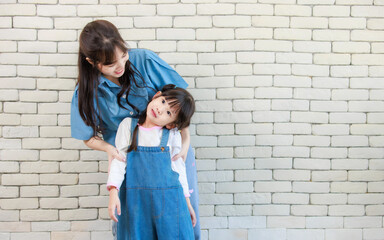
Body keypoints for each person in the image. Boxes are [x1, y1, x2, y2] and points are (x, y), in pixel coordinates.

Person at [70, 20, 200, 239]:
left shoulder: (145, 61)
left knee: (181, 221)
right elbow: (87, 136)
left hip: (171, 155)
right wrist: (111, 151)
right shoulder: (86, 91)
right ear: (92, 62)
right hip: (127, 160)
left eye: (123, 55)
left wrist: (185, 141)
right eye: (110, 63)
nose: (120, 65)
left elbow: (179, 106)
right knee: (132, 225)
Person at [107, 84, 196, 239]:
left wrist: (187, 202)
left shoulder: (172, 135)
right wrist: (113, 192)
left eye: (168, 112)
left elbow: (179, 169)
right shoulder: (128, 126)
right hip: (137, 203)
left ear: (171, 124)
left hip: (170, 203)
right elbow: (119, 161)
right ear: (156, 95)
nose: (160, 110)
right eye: (163, 102)